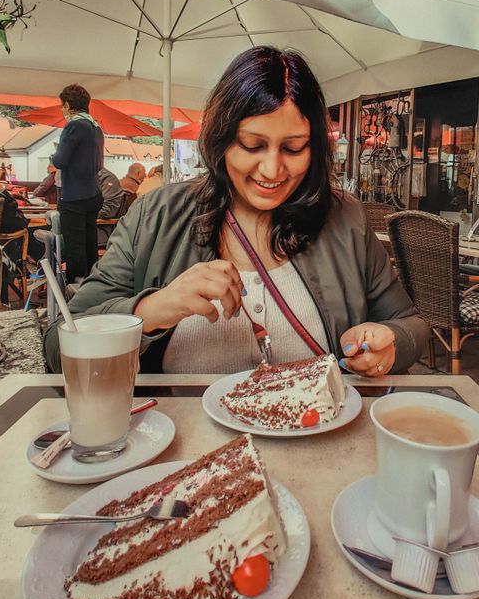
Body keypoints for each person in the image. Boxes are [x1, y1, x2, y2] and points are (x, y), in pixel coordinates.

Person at [45, 47, 428, 375]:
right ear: (222, 139)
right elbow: (57, 346)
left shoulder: (345, 218)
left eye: (293, 148)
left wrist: (389, 344)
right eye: (252, 145)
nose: (272, 170)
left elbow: (411, 324)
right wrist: (150, 310)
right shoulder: (155, 216)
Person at [50, 84, 104, 283]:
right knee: (90, 244)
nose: (62, 110)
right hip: (93, 193)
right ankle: (92, 284)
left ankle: (75, 287)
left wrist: (52, 156)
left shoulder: (74, 126)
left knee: (75, 246)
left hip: (75, 195)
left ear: (67, 105)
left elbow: (60, 160)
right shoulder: (96, 127)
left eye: (62, 106)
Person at [0, 152, 44, 303]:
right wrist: (3, 190)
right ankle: (41, 271)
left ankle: (38, 270)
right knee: (41, 234)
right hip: (4, 248)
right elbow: (19, 222)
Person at [96, 166, 126, 247]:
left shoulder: (107, 178)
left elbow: (107, 211)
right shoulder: (83, 177)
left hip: (101, 230)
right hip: (86, 227)